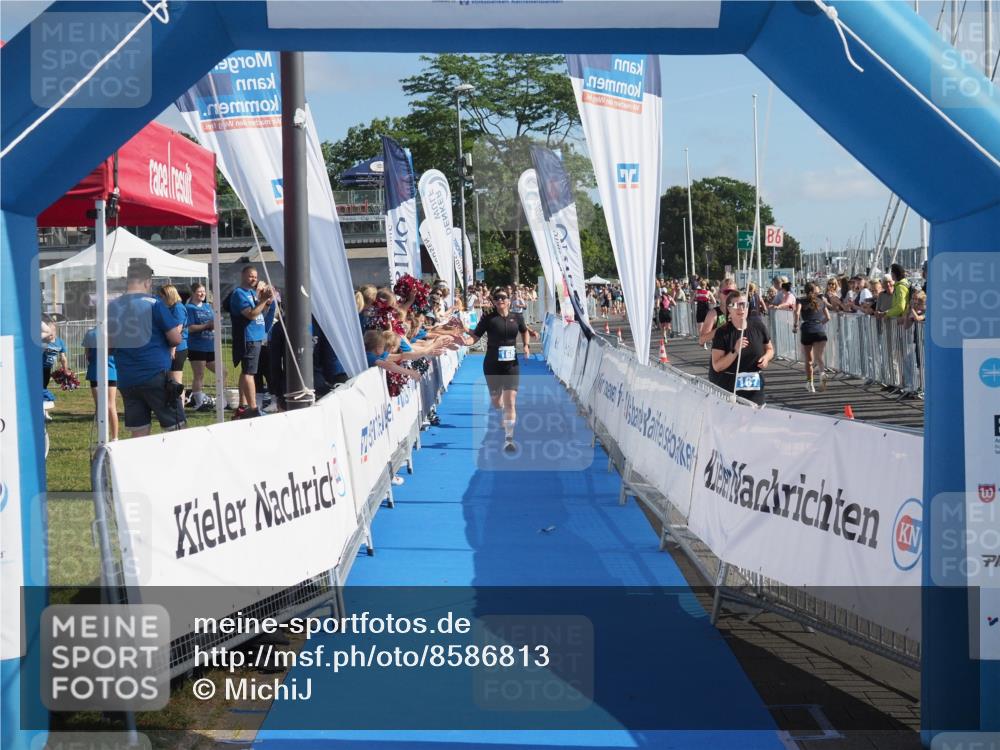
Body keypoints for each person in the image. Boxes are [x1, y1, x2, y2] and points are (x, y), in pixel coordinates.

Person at [107, 261, 185, 437]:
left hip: (126, 377)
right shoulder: (154, 304)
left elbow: (109, 344)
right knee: (177, 428)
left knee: (139, 433)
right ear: (147, 281)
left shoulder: (114, 306)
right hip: (154, 374)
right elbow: (175, 338)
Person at [465, 287, 529, 453]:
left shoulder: (517, 317)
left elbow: (524, 331)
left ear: (509, 300)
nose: (500, 300)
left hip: (511, 365)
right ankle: (501, 412)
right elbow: (476, 336)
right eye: (497, 298)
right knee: (496, 401)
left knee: (510, 402)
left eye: (503, 297)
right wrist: (465, 341)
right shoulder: (488, 318)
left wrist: (527, 345)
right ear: (493, 301)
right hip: (492, 363)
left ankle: (509, 440)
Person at [708, 290, 774, 406]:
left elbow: (770, 349)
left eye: (744, 304)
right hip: (730, 389)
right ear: (729, 309)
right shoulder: (722, 333)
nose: (741, 308)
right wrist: (734, 351)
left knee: (755, 421)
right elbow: (717, 366)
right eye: (736, 305)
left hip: (755, 388)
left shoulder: (758, 327)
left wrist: (766, 358)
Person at [229, 265, 276, 420]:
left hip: (257, 336)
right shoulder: (239, 293)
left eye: (255, 276)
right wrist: (262, 300)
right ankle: (254, 408)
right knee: (250, 373)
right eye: (250, 276)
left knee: (246, 372)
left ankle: (242, 406)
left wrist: (267, 301)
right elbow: (251, 314)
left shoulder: (251, 292)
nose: (254, 279)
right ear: (243, 276)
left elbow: (261, 311)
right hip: (248, 338)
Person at [793, 281, 831, 392]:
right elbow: (828, 317)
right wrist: (819, 324)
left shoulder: (801, 300)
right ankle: (822, 373)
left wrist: (795, 325)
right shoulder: (821, 301)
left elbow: (797, 312)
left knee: (809, 360)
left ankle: (810, 384)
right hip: (820, 331)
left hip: (807, 329)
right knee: (819, 357)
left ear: (805, 290)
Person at [83, 326, 119, 441]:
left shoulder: (90, 333)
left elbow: (87, 355)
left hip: (95, 371)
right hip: (111, 371)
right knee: (111, 405)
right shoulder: (116, 332)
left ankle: (102, 438)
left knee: (99, 406)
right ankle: (115, 437)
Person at [185, 282, 216, 412]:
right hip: (196, 346)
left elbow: (213, 323)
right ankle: (198, 402)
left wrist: (214, 325)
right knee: (199, 374)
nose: (202, 293)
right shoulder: (189, 308)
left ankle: (215, 399)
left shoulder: (208, 307)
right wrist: (207, 325)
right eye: (199, 291)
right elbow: (190, 328)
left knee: (223, 372)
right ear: (193, 293)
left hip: (209, 346)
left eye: (204, 291)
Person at [158, 284, 188, 389]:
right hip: (170, 347)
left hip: (177, 348)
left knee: (176, 382)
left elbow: (178, 330)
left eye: (162, 296)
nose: (161, 299)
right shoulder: (170, 308)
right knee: (170, 381)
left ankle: (179, 404)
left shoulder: (178, 308)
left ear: (168, 295)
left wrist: (172, 348)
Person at [42, 318, 67, 389]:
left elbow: (63, 358)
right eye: (49, 331)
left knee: (44, 386)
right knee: (41, 387)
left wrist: (65, 370)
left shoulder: (60, 342)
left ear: (55, 331)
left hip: (48, 368)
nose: (51, 333)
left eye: (53, 330)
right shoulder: (41, 341)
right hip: (38, 368)